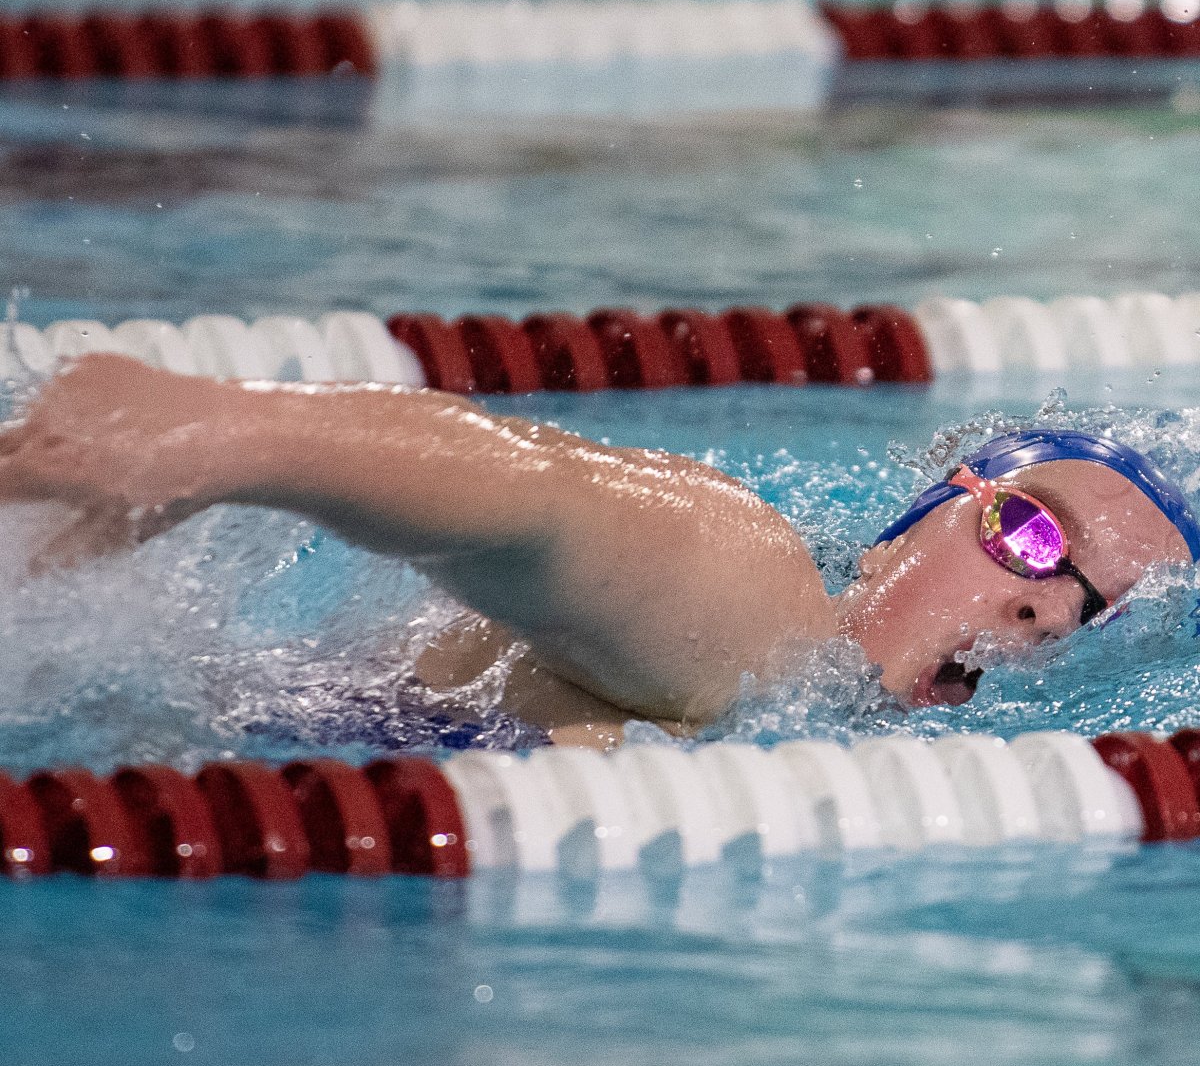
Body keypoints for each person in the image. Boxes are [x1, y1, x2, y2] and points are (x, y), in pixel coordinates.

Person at [0, 353, 1195, 748]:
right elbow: (538, 491)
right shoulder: (758, 611)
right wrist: (230, 432)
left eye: (1102, 617)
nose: (1047, 609)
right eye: (1032, 535)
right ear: (909, 527)